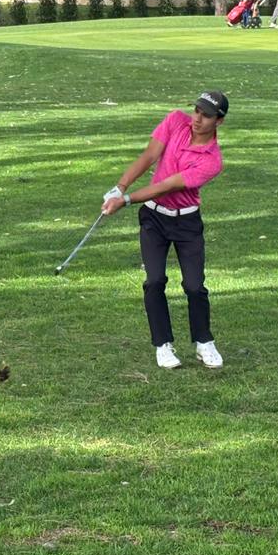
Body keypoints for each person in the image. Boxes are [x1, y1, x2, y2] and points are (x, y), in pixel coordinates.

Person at [102, 91, 228, 369]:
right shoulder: (176, 121)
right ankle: (163, 344)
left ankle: (204, 341)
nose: (197, 119)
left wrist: (125, 200)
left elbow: (166, 186)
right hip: (154, 218)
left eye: (206, 115)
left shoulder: (212, 160)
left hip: (187, 222)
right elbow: (149, 155)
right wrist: (120, 187)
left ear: (219, 121)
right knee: (155, 280)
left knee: (194, 286)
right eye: (196, 111)